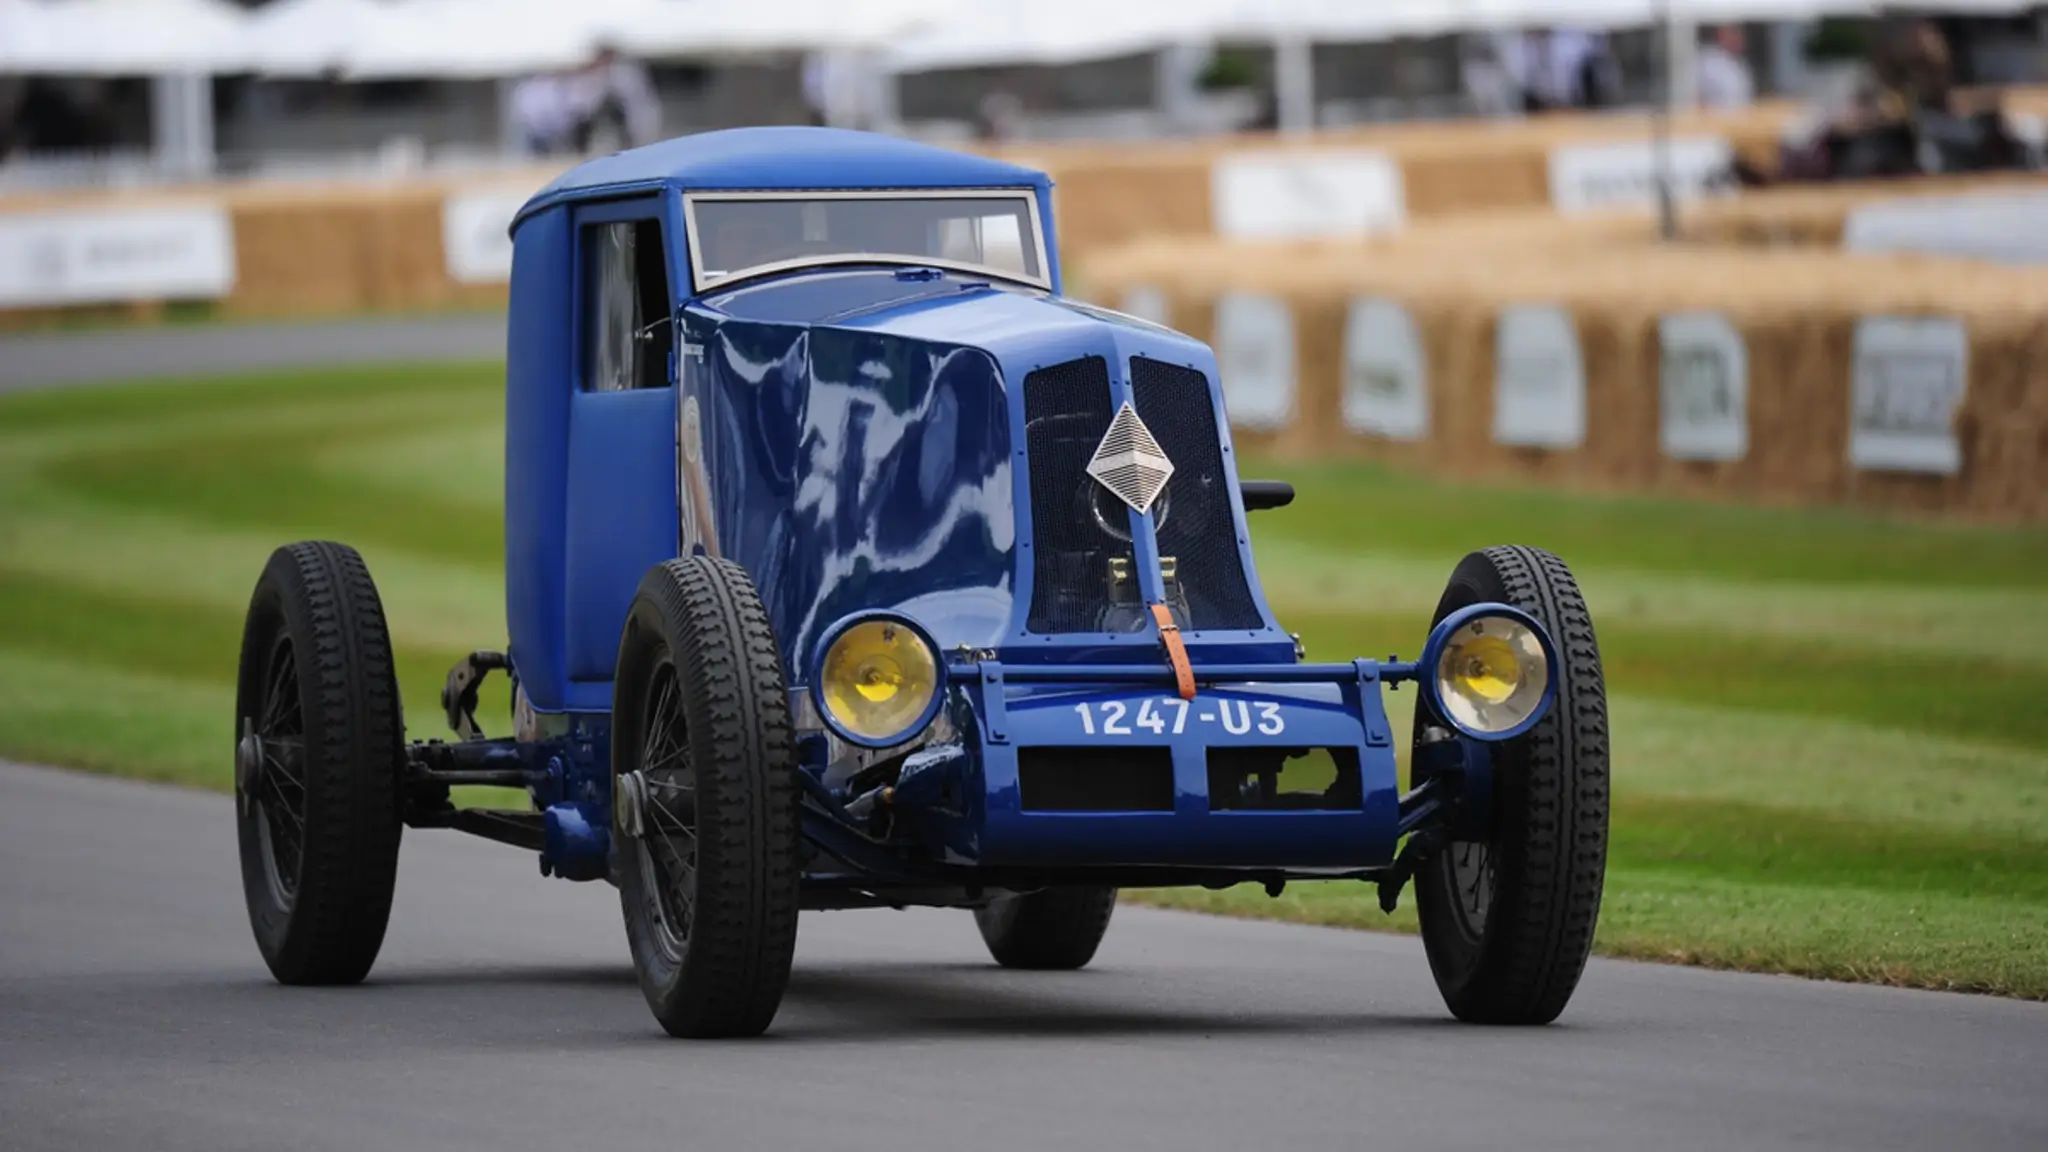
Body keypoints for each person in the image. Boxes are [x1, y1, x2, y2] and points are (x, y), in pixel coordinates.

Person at [1695, 25, 1754, 110]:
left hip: (1741, 118)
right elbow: (1693, 96)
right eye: (1733, 33)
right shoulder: (1706, 61)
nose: (1738, 38)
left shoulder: (1740, 63)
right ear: (1720, 34)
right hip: (1714, 119)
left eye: (1739, 34)